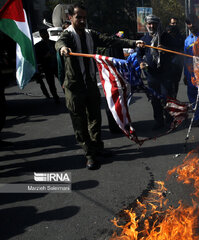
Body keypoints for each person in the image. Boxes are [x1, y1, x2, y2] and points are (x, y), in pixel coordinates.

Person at [55, 3, 144, 169]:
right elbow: (59, 43)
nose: (82, 21)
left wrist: (133, 43)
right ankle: (89, 154)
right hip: (74, 88)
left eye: (84, 18)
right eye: (78, 17)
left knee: (95, 119)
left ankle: (97, 148)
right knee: (80, 123)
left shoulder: (90, 34)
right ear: (70, 17)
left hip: (90, 84)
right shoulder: (67, 35)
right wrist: (63, 49)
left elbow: (111, 40)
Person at [137, 14, 173, 130]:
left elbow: (175, 53)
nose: (151, 26)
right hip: (151, 74)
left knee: (167, 97)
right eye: (149, 23)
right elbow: (139, 54)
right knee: (155, 99)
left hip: (165, 73)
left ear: (158, 24)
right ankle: (159, 121)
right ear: (146, 25)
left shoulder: (166, 37)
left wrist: (165, 50)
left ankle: (170, 120)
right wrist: (141, 62)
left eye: (154, 23)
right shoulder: (144, 39)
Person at [34, 28, 60, 103]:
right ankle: (55, 97)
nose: (46, 35)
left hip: (56, 65)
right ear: (41, 35)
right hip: (47, 67)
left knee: (62, 81)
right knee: (51, 83)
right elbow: (38, 58)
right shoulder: (38, 46)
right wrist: (45, 56)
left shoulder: (54, 43)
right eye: (44, 34)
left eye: (47, 33)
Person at [164, 17, 185, 98]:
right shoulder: (165, 35)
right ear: (170, 24)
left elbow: (182, 49)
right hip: (167, 65)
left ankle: (174, 100)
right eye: (172, 23)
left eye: (175, 23)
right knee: (167, 85)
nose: (174, 25)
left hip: (177, 65)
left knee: (175, 85)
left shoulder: (181, 36)